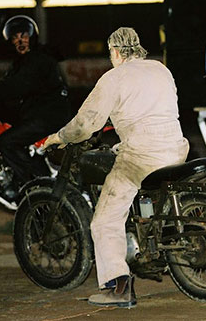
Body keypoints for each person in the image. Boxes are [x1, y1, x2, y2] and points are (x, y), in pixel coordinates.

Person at [43, 27, 190, 308]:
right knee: (123, 156)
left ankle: (118, 286)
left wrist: (59, 137)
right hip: (176, 149)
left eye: (111, 52)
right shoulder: (161, 69)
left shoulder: (114, 78)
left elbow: (86, 124)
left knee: (104, 221)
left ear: (117, 52)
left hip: (143, 155)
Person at [0, 15, 70, 208]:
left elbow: (18, 86)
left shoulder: (39, 59)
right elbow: (14, 97)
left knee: (6, 141)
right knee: (16, 137)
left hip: (49, 116)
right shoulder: (20, 64)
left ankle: (38, 186)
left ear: (32, 37)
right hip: (40, 115)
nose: (20, 40)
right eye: (15, 38)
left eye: (24, 35)